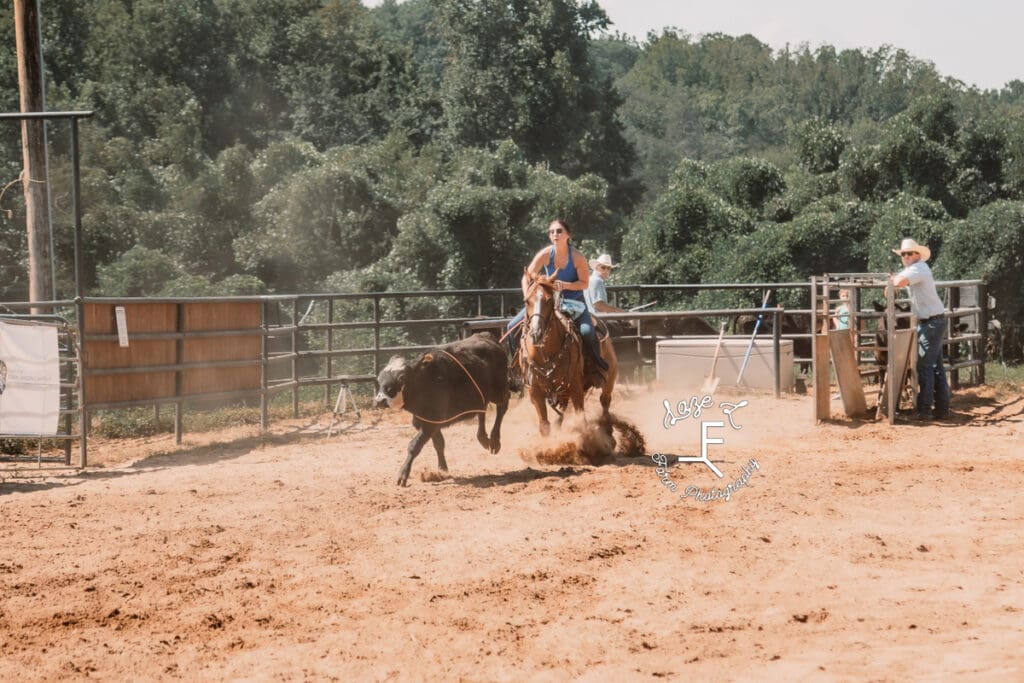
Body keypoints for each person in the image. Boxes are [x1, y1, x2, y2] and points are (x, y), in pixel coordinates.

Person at [506, 219, 608, 383]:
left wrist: (565, 285)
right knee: (511, 327)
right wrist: (528, 296)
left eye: (559, 231)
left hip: (574, 303)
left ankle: (595, 367)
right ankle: (517, 370)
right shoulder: (545, 254)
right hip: (546, 302)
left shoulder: (577, 257)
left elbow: (585, 283)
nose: (555, 234)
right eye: (552, 231)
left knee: (587, 332)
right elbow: (527, 276)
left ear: (568, 235)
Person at [890, 237, 950, 421]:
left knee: (923, 366)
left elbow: (898, 282)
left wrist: (891, 283)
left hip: (931, 323)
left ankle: (924, 410)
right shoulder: (914, 269)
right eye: (903, 254)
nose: (906, 256)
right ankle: (941, 408)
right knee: (936, 367)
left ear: (917, 255)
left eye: (909, 253)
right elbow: (897, 280)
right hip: (932, 322)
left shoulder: (919, 268)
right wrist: (892, 281)